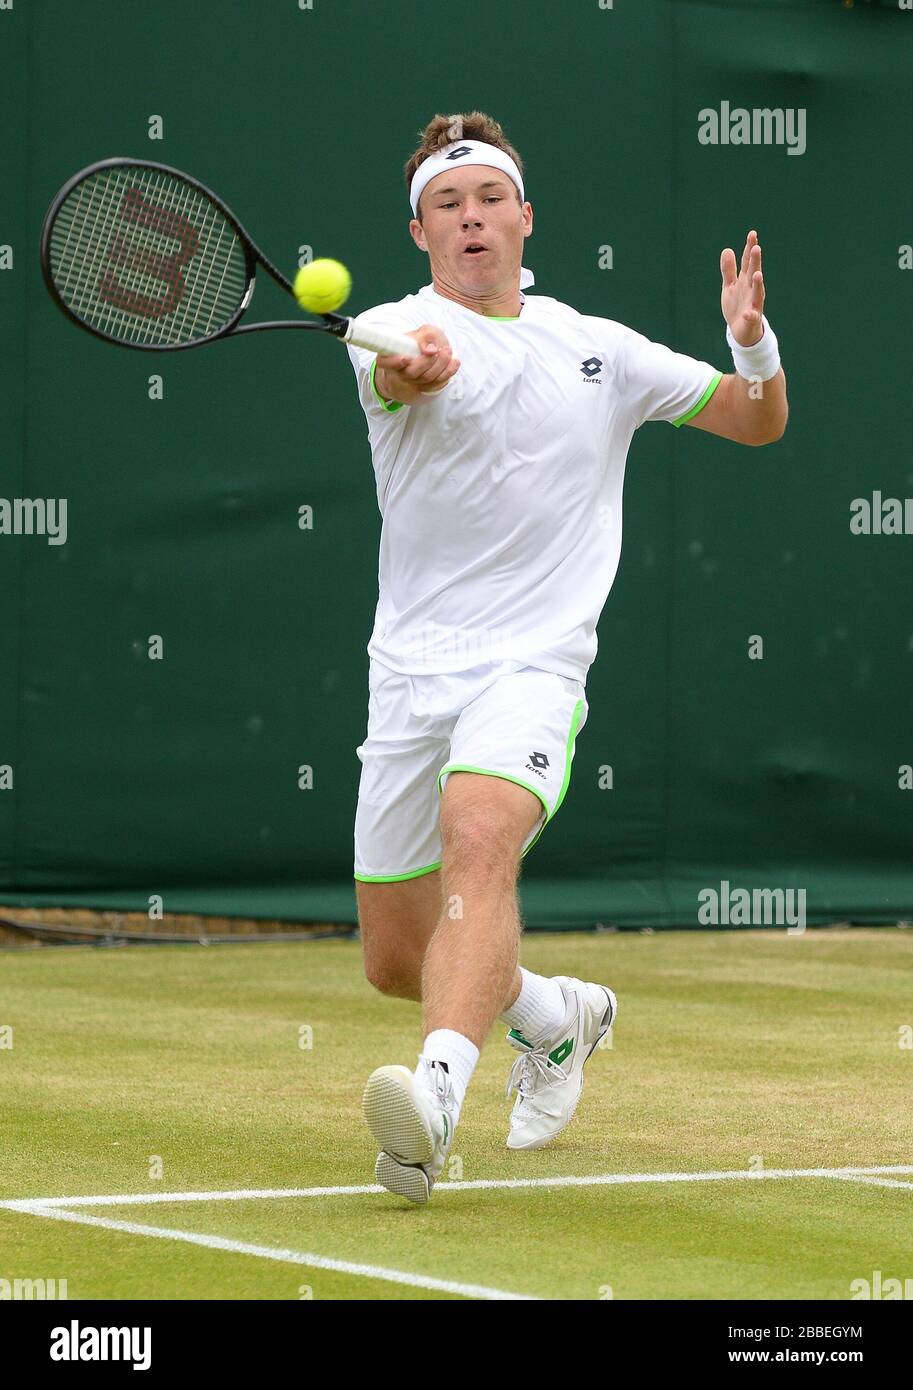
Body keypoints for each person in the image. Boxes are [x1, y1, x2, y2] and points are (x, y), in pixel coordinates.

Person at [345, 111, 788, 1204]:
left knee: (480, 838)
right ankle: (553, 1019)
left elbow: (755, 420)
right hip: (410, 674)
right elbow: (406, 374)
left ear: (523, 215)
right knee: (398, 958)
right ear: (421, 233)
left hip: (532, 666)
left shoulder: (604, 348)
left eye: (489, 196)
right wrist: (416, 367)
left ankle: (434, 1101)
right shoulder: (389, 329)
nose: (471, 217)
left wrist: (749, 341)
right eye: (447, 205)